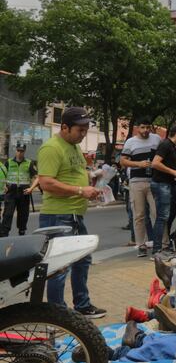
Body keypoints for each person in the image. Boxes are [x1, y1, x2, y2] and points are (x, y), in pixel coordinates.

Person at [37, 107, 106, 318]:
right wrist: (79, 190)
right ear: (64, 127)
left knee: (83, 259)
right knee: (59, 267)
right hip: (58, 215)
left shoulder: (74, 147)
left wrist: (91, 183)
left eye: (86, 129)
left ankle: (82, 305)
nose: (83, 134)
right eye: (80, 130)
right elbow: (45, 182)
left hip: (75, 214)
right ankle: (57, 314)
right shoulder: (51, 148)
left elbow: (76, 172)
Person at [121, 116, 162, 257]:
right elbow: (123, 161)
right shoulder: (130, 142)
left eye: (147, 127)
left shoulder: (157, 139)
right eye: (142, 127)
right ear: (137, 128)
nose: (145, 130)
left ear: (151, 127)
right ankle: (141, 245)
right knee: (139, 215)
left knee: (158, 213)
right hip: (136, 182)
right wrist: (139, 164)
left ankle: (163, 243)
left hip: (154, 181)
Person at [149, 125, 176, 256]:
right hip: (161, 184)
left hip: (166, 184)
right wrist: (174, 172)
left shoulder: (172, 147)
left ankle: (160, 248)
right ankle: (157, 250)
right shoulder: (165, 144)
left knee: (163, 217)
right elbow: (155, 163)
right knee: (162, 217)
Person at [0, 144, 39, 237]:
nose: (19, 153)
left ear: (24, 151)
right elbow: (2, 175)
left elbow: (38, 177)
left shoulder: (29, 163)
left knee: (23, 215)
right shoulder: (8, 162)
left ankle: (22, 232)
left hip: (24, 192)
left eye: (21, 151)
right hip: (11, 192)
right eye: (18, 150)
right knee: (7, 214)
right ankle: (3, 235)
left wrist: (31, 188)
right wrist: (3, 186)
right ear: (15, 150)